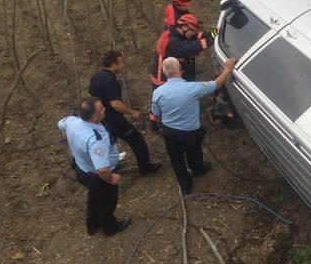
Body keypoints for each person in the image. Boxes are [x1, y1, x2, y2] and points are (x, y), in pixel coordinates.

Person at [151, 56, 236, 194]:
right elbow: (216, 84)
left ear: (165, 73)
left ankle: (185, 186)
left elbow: (156, 115)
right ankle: (197, 169)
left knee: (176, 160)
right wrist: (227, 69)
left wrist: (162, 127)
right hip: (190, 132)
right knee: (195, 153)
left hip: (169, 132)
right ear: (180, 69)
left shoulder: (157, 92)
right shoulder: (193, 87)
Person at [58, 98, 131, 236]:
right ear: (94, 117)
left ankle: (92, 225)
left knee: (94, 196)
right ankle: (110, 227)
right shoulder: (95, 140)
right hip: (96, 176)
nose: (105, 109)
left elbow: (60, 124)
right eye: (101, 109)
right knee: (107, 201)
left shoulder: (72, 121)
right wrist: (111, 179)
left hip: (82, 169)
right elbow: (102, 170)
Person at [89, 50, 161, 175]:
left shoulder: (96, 76)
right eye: (121, 62)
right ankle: (145, 167)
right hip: (115, 120)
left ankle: (106, 168)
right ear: (113, 65)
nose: (123, 65)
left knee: (107, 144)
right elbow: (115, 104)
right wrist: (132, 112)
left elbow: (90, 96)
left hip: (102, 121)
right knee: (136, 139)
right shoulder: (110, 80)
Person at [149, 14, 216, 130]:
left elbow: (197, 36)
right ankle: (157, 126)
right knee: (164, 104)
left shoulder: (174, 32)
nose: (194, 33)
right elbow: (193, 46)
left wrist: (216, 31)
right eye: (192, 31)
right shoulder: (174, 42)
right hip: (162, 78)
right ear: (184, 28)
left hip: (168, 72)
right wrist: (212, 39)